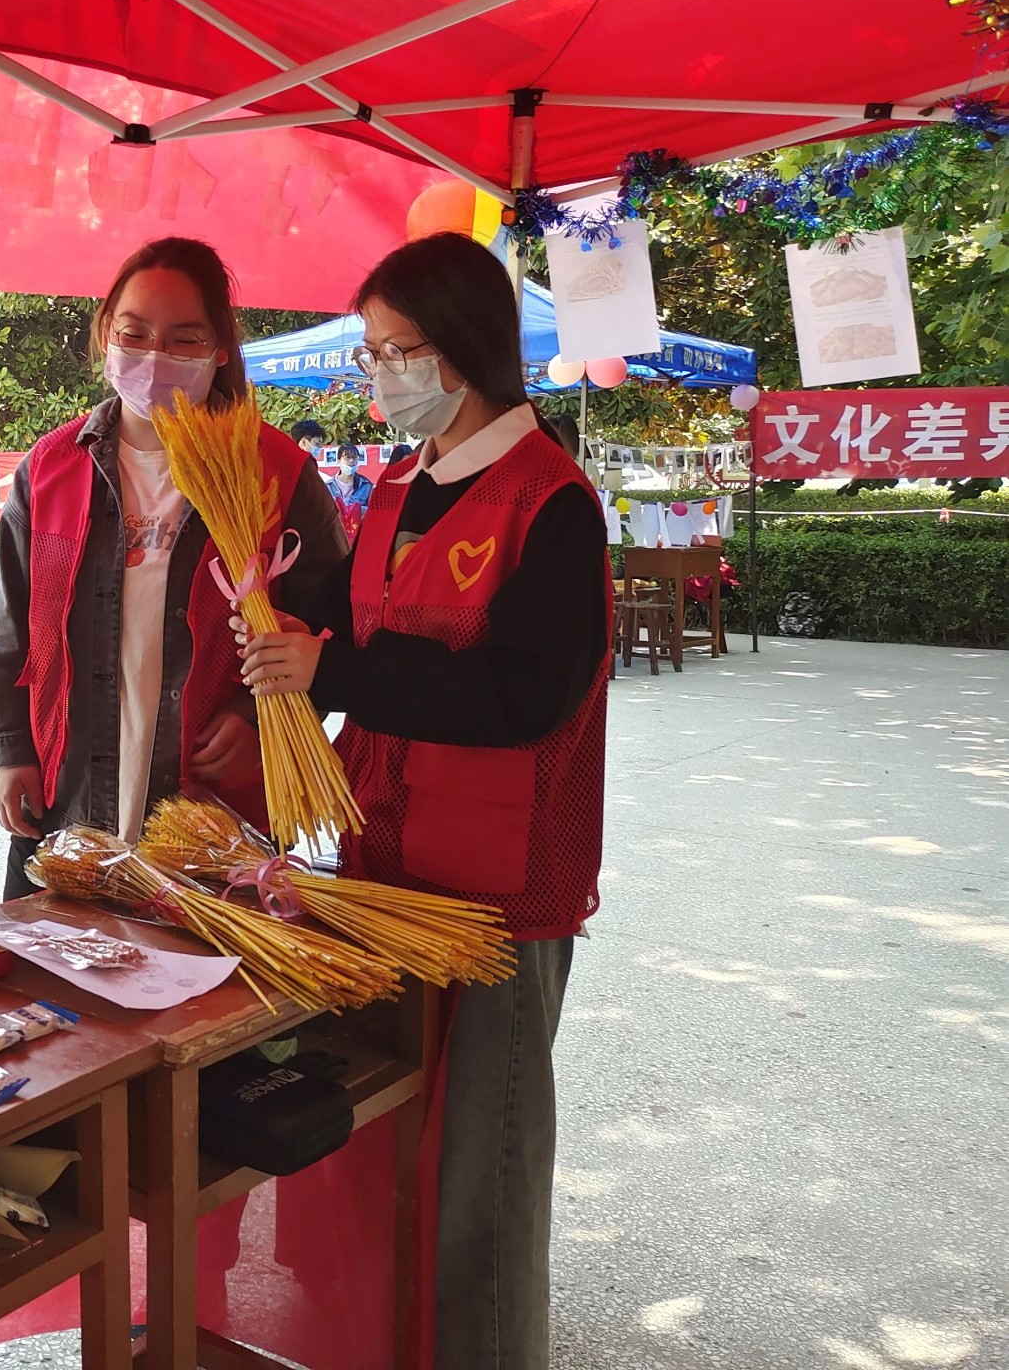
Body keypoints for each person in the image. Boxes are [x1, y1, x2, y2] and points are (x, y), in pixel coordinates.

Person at [239, 232, 611, 1369]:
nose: (380, 373)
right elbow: (360, 633)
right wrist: (292, 643)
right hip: (381, 860)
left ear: (463, 349)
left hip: (496, 889)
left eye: (396, 351)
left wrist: (340, 673)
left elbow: (528, 696)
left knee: (479, 1170)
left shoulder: (551, 501)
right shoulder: (399, 484)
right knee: (383, 1141)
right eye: (371, 353)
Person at [0, 237, 346, 896]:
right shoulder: (51, 467)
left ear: (219, 349)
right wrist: (11, 750)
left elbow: (331, 629)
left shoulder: (278, 473)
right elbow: (8, 626)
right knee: (53, 964)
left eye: (184, 339)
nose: (155, 356)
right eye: (134, 334)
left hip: (215, 824)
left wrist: (253, 717)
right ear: (105, 335)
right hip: (67, 808)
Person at [326, 441, 374, 538]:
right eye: (347, 457)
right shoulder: (328, 486)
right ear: (338, 461)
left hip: (358, 535)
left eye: (355, 457)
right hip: (335, 535)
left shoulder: (366, 485)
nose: (351, 461)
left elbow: (372, 513)